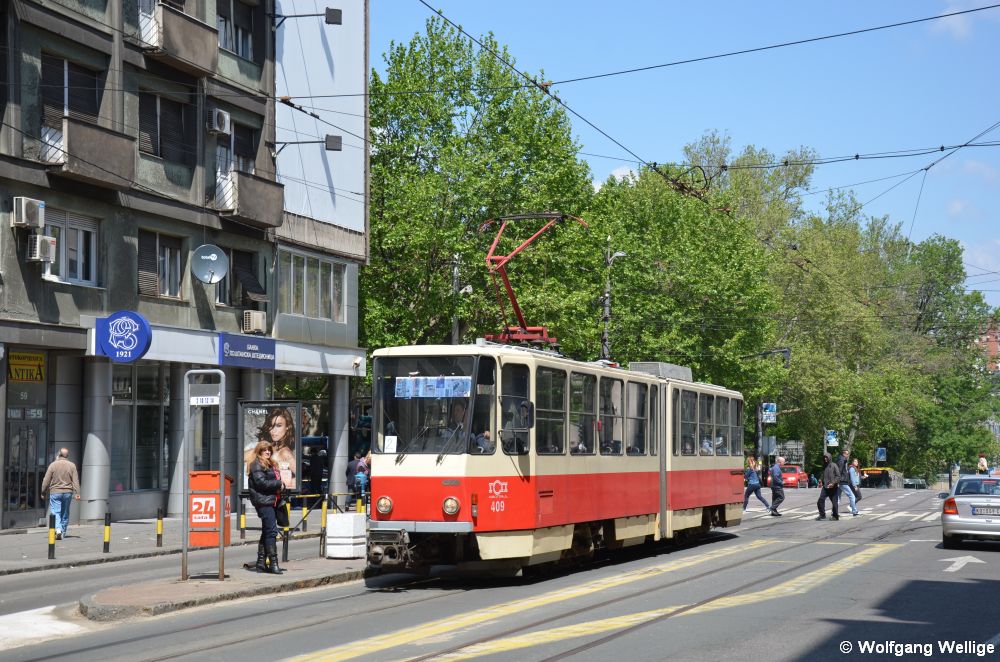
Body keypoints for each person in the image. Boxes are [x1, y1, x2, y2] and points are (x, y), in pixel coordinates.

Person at [247, 441, 284, 574]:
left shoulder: (269, 463)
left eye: (269, 450)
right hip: (263, 502)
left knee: (267, 531)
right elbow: (261, 483)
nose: (268, 452)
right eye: (264, 450)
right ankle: (274, 563)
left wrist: (281, 484)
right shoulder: (256, 464)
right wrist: (279, 483)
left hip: (271, 501)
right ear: (259, 451)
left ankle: (261, 563)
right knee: (272, 532)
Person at [245, 408, 297, 489]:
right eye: (271, 426)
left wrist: (284, 483)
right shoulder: (268, 446)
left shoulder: (285, 453)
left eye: (278, 425)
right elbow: (241, 458)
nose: (273, 430)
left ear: (287, 427)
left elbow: (298, 478)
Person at [40, 448, 80, 540]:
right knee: (65, 512)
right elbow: (75, 481)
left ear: (58, 454)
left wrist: (43, 492)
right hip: (68, 492)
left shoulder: (53, 465)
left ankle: (58, 529)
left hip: (55, 492)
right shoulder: (72, 465)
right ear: (67, 456)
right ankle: (63, 532)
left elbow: (46, 480)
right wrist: (77, 493)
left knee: (56, 512)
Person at [816, 452, 841, 521]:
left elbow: (838, 476)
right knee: (820, 500)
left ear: (829, 458)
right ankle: (822, 515)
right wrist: (821, 480)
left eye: (826, 457)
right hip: (825, 487)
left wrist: (833, 483)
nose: (825, 459)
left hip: (833, 487)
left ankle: (835, 516)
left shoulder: (834, 465)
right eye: (824, 457)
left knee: (834, 503)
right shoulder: (824, 465)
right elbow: (823, 475)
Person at [837, 449, 858, 516]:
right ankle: (854, 511)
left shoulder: (843, 460)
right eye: (847, 454)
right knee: (852, 496)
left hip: (841, 481)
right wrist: (838, 480)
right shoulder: (842, 460)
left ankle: (834, 512)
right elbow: (839, 471)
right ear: (844, 454)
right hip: (842, 481)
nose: (848, 455)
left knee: (838, 498)